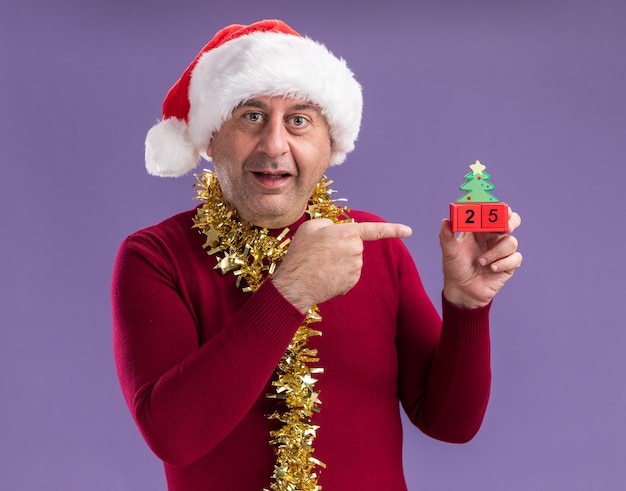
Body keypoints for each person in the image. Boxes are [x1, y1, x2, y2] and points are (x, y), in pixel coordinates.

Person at [111, 19, 523, 491]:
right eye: (250, 115)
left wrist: (468, 306)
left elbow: (451, 424)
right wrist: (289, 291)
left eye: (299, 120)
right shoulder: (154, 257)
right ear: (209, 138)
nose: (274, 144)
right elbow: (174, 435)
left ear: (331, 144)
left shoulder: (373, 247)